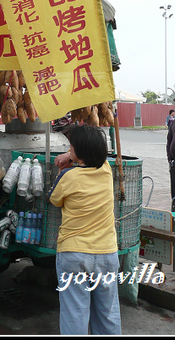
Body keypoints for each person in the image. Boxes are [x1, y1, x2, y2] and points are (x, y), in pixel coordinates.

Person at [49, 125, 121, 335]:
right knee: (108, 313)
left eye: (70, 147)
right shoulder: (106, 170)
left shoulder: (68, 177)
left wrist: (66, 163)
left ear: (78, 153)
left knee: (75, 313)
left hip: (74, 255)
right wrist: (73, 155)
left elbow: (55, 200)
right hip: (107, 253)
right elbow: (92, 157)